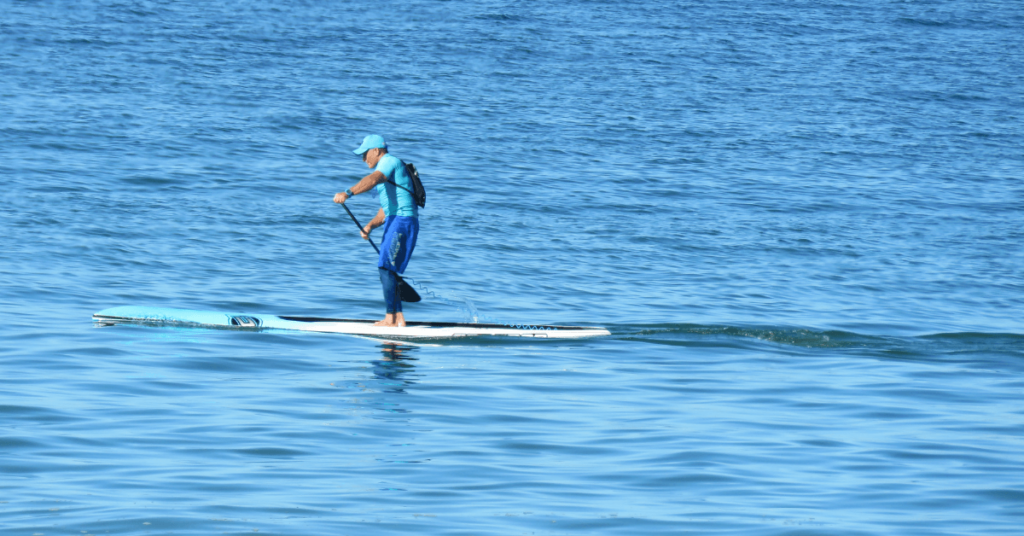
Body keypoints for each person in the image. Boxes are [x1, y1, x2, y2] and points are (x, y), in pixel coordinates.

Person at [333, 135, 419, 327]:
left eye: (365, 155)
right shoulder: (387, 173)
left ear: (376, 151)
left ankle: (391, 319)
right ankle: (398, 318)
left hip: (403, 221)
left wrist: (348, 193)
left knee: (385, 267)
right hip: (394, 220)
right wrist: (370, 225)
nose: (364, 160)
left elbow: (374, 179)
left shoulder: (389, 162)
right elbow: (385, 210)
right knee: (387, 269)